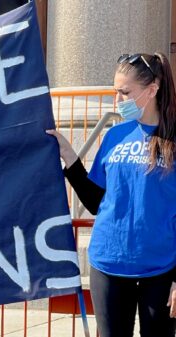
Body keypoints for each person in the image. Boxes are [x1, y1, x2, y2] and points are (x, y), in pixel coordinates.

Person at [46, 52, 176, 337]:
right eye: (116, 91)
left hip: (161, 269)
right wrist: (70, 158)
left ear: (153, 89)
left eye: (125, 92)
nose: (118, 101)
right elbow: (95, 202)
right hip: (108, 263)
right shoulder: (115, 135)